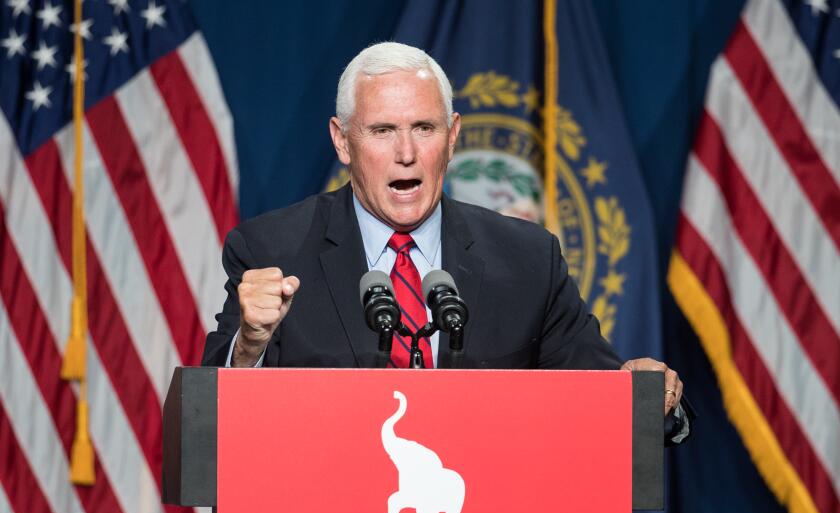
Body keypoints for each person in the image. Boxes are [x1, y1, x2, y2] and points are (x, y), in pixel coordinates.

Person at [202, 42, 689, 440]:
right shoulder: (272, 250)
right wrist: (250, 345)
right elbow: (211, 422)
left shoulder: (528, 260)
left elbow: (603, 398)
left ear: (452, 137)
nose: (407, 153)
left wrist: (648, 394)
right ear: (342, 141)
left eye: (424, 128)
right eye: (383, 131)